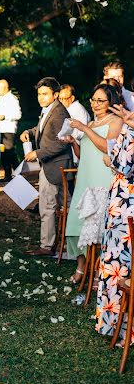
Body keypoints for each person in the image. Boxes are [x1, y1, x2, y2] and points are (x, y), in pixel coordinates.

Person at [64, 84, 122, 283]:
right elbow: (84, 154)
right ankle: (82, 266)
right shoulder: (92, 123)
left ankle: (98, 272)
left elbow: (108, 148)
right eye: (93, 100)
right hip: (85, 179)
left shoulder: (116, 121)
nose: (95, 104)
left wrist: (84, 129)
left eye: (100, 100)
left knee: (97, 231)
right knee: (75, 226)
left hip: (101, 180)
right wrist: (73, 141)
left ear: (110, 102)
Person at [20, 77, 72, 256]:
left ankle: (47, 246)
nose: (40, 98)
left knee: (49, 206)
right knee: (58, 205)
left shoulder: (59, 113)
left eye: (44, 94)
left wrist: (37, 153)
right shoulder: (49, 109)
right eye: (39, 94)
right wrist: (29, 132)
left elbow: (62, 144)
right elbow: (42, 131)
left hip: (56, 166)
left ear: (55, 94)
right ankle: (59, 244)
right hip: (51, 165)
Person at [95, 105, 134, 345]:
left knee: (121, 262)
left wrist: (111, 160)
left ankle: (123, 327)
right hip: (122, 200)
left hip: (127, 203)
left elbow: (125, 166)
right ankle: (116, 324)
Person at [0, 79, 22, 181]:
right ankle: (9, 175)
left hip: (8, 130)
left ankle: (18, 173)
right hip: (0, 130)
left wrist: (4, 116)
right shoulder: (1, 99)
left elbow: (18, 115)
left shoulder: (12, 99)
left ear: (4, 87)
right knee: (4, 153)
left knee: (9, 152)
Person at [59, 84, 91, 164]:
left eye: (64, 99)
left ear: (72, 98)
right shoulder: (67, 109)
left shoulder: (78, 110)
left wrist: (67, 133)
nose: (61, 102)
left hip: (80, 154)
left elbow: (81, 133)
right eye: (60, 99)